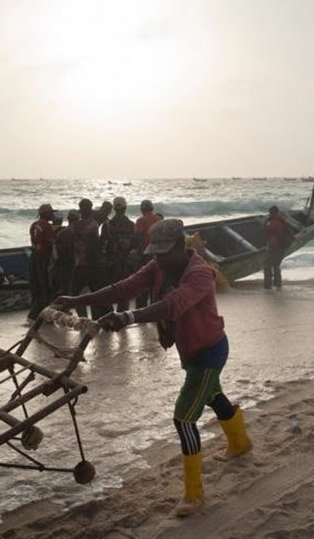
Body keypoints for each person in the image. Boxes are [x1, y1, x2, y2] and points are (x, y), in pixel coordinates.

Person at [54, 219, 253, 517]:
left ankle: (194, 495)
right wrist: (76, 299)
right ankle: (240, 443)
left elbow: (172, 306)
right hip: (192, 350)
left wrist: (128, 318)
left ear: (179, 246)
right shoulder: (159, 267)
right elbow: (123, 288)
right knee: (212, 396)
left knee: (184, 419)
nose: (157, 258)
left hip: (208, 352)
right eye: (154, 253)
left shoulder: (199, 274)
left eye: (163, 252)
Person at [71, 198, 112, 319]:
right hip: (95, 264)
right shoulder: (94, 223)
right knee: (97, 293)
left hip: (80, 264)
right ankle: (97, 319)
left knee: (76, 295)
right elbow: (98, 243)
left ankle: (83, 320)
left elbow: (73, 245)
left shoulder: (76, 225)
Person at [103, 196, 136, 310]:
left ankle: (110, 314)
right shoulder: (131, 225)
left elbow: (102, 243)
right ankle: (122, 316)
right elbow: (135, 244)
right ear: (125, 208)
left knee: (110, 289)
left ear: (113, 208)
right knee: (124, 289)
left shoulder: (107, 224)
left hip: (111, 261)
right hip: (126, 262)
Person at [27, 203, 55, 324]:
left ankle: (37, 314)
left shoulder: (33, 225)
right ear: (46, 213)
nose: (52, 214)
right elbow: (50, 244)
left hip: (34, 256)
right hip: (42, 258)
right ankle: (34, 316)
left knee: (36, 286)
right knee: (45, 288)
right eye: (51, 212)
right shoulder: (48, 226)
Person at [134, 199, 164, 307]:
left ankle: (141, 308)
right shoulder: (159, 219)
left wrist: (136, 251)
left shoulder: (141, 221)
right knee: (156, 282)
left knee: (143, 282)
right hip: (159, 254)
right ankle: (155, 306)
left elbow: (138, 236)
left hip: (145, 255)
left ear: (142, 210)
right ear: (152, 208)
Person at [49, 209, 80, 299]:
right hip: (67, 267)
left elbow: (56, 255)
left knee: (61, 293)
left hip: (58, 267)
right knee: (67, 294)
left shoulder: (62, 232)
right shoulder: (71, 233)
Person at [263, 205, 292, 290]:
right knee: (276, 265)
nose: (269, 214)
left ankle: (268, 285)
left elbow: (267, 231)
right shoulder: (282, 221)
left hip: (274, 246)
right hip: (281, 247)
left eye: (270, 213)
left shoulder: (273, 223)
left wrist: (267, 221)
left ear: (273, 212)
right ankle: (277, 284)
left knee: (267, 265)